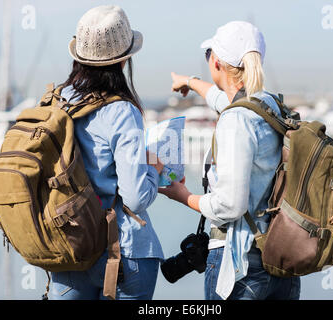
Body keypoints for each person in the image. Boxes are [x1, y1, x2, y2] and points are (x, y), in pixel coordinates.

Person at [160, 21, 301, 300]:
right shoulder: (270, 106)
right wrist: (187, 82)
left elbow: (230, 205)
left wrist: (183, 196)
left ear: (216, 63)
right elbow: (219, 99)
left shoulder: (236, 120)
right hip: (280, 260)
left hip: (241, 267)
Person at [49, 5, 164, 300]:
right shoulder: (122, 111)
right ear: (123, 61)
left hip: (69, 247)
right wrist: (154, 170)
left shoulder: (59, 102)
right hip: (123, 251)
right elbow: (136, 199)